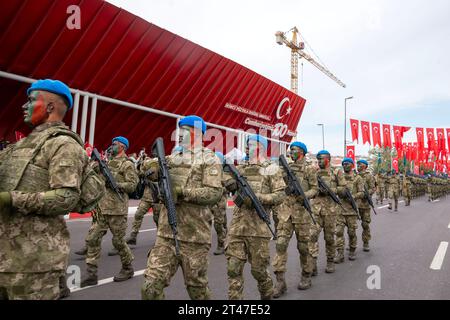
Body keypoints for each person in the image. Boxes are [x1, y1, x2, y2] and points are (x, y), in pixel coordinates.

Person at [0, 79, 87, 299]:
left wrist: (10, 199)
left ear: (50, 107)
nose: (24, 106)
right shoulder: (19, 145)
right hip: (6, 257)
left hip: (34, 264)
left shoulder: (63, 145)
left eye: (30, 100)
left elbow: (66, 198)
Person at [141, 115, 223, 300]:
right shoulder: (173, 157)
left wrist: (183, 192)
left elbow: (214, 193)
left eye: (185, 131)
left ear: (196, 133)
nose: (180, 135)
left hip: (194, 237)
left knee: (197, 292)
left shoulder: (209, 159)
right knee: (150, 288)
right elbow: (148, 166)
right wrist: (151, 166)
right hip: (166, 235)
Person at [224, 134, 285, 300]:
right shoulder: (241, 168)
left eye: (250, 145)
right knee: (233, 269)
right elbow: (225, 178)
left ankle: (266, 297)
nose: (246, 148)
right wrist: (228, 182)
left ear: (260, 147)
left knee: (259, 271)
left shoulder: (271, 169)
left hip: (258, 230)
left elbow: (280, 195)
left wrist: (258, 198)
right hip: (237, 228)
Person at [80, 136, 139, 287]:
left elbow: (132, 185)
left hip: (117, 209)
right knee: (93, 239)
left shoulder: (127, 164)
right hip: (102, 208)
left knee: (118, 242)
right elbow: (92, 176)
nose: (112, 146)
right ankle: (91, 274)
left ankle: (127, 268)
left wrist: (116, 185)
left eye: (115, 144)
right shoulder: (105, 162)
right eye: (112, 143)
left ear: (123, 147)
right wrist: (95, 165)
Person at [271, 141, 317, 298]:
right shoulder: (285, 167)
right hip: (285, 214)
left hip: (302, 215)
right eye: (291, 150)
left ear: (302, 152)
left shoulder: (309, 168)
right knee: (280, 245)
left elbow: (315, 189)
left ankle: (306, 275)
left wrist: (304, 196)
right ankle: (280, 282)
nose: (292, 152)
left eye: (295, 150)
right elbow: (276, 185)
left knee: (303, 247)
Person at [310, 150, 346, 274]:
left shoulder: (336, 172)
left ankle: (330, 261)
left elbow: (343, 189)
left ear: (328, 159)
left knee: (329, 238)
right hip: (316, 210)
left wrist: (332, 190)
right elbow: (309, 188)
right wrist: (316, 190)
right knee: (312, 236)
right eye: (318, 159)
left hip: (330, 211)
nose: (319, 161)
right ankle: (312, 264)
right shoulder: (314, 173)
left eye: (321, 159)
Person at [335, 158, 364, 263]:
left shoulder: (358, 178)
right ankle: (340, 254)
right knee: (338, 232)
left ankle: (352, 250)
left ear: (352, 165)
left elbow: (362, 192)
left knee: (351, 232)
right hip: (340, 209)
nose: (344, 166)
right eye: (343, 164)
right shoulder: (339, 177)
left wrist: (353, 196)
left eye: (347, 164)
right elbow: (334, 189)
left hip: (351, 210)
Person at [210, 151, 229, 255]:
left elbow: (228, 187)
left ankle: (221, 244)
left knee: (218, 223)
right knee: (221, 220)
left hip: (220, 200)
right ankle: (225, 232)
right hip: (211, 200)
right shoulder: (211, 171)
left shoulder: (225, 173)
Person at [357, 159, 376, 252]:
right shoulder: (354, 175)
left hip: (364, 204)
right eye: (357, 164)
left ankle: (366, 242)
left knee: (365, 224)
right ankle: (351, 244)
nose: (358, 165)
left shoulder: (369, 176)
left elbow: (372, 188)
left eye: (360, 164)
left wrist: (366, 194)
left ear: (365, 166)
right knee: (350, 225)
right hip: (354, 204)